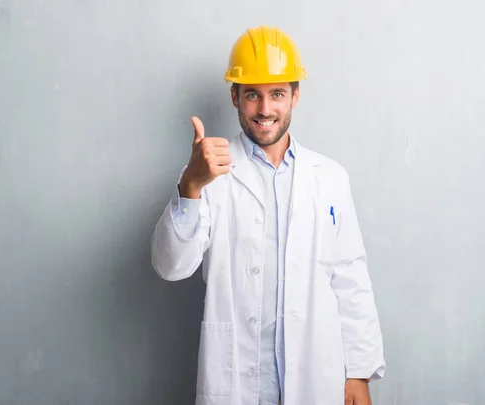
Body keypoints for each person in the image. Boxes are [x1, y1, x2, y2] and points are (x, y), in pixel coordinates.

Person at [151, 25, 385, 405]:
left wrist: (358, 372)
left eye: (277, 94)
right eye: (252, 96)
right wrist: (191, 186)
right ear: (234, 97)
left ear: (295, 95)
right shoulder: (208, 172)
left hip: (314, 376)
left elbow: (350, 276)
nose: (265, 110)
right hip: (240, 382)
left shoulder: (329, 177)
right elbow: (169, 266)